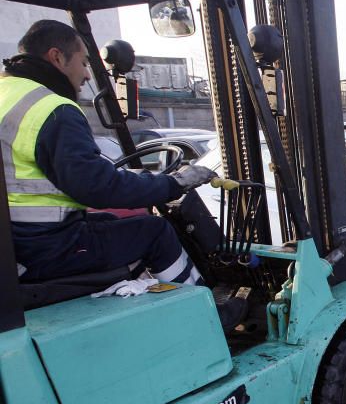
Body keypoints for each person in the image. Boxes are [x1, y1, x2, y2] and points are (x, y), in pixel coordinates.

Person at [1, 20, 216, 286]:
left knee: (110, 221)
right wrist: (172, 183)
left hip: (17, 243)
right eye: (83, 63)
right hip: (41, 249)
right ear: (56, 57)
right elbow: (97, 186)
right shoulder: (50, 109)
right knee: (154, 231)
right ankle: (206, 311)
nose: (88, 75)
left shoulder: (7, 94)